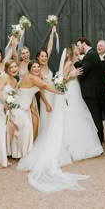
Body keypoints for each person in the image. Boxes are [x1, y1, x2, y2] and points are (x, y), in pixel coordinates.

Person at [17, 46, 95, 193]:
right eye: (77, 53)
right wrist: (52, 97)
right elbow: (46, 85)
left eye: (46, 56)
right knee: (50, 121)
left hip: (59, 93)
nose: (44, 58)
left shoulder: (47, 69)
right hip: (50, 95)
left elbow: (54, 80)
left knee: (63, 120)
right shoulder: (38, 71)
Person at [11, 60, 62, 158]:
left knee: (29, 128)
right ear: (29, 69)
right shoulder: (31, 78)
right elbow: (45, 86)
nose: (37, 68)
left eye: (38, 66)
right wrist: (59, 92)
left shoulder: (35, 77)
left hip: (25, 107)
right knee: (27, 129)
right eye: (34, 67)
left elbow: (40, 88)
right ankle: (25, 154)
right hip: (18, 107)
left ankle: (22, 152)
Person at [76, 37, 103, 143]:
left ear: (84, 44)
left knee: (95, 117)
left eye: (78, 45)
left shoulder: (90, 55)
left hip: (91, 92)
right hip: (93, 91)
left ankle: (98, 141)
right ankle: (96, 140)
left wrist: (75, 62)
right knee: (94, 117)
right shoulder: (92, 54)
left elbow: (82, 71)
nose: (78, 48)